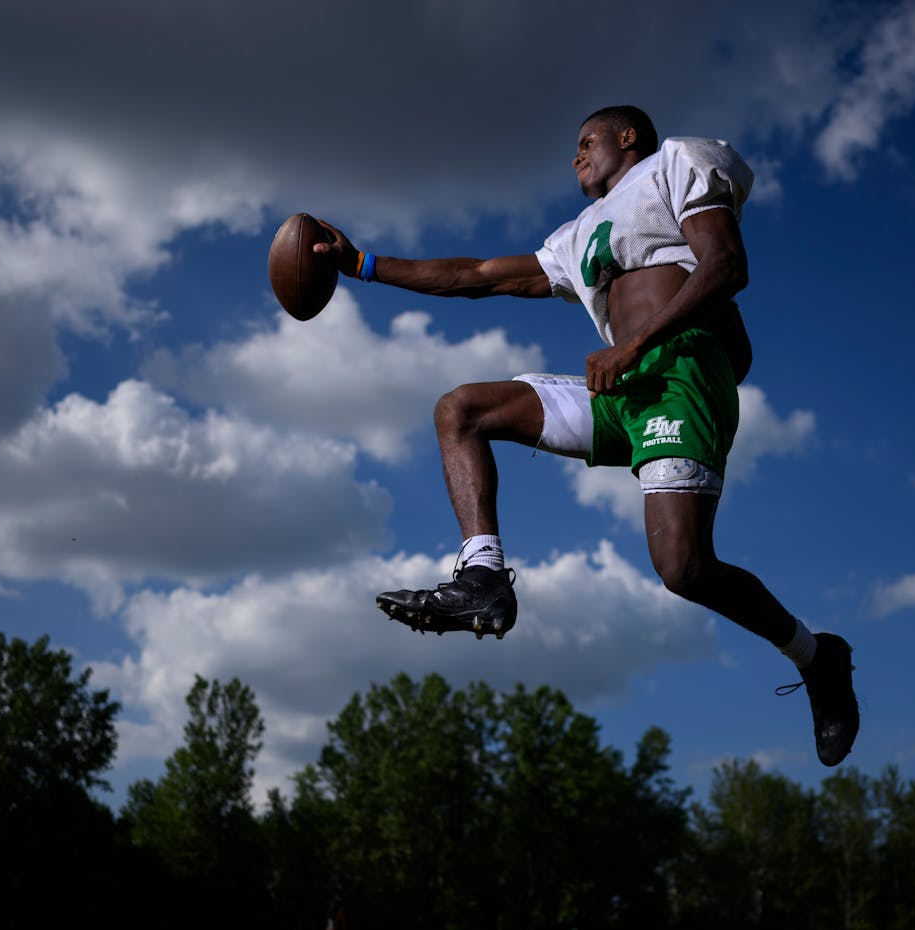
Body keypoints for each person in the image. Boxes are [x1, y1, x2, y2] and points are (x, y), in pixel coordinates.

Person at [313, 106, 859, 766]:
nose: (575, 157)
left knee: (683, 568)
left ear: (627, 137)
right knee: (462, 410)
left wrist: (633, 345)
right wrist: (363, 263)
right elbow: (479, 276)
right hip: (621, 386)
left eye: (585, 142)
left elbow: (726, 266)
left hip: (679, 371)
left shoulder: (675, 163)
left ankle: (816, 656)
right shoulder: (577, 236)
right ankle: (482, 576)